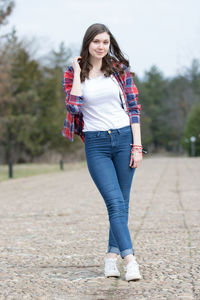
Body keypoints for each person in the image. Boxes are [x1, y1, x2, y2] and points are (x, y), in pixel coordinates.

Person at [62, 23, 143, 281]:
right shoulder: (72, 72)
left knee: (122, 202)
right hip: (95, 144)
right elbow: (74, 107)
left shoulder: (119, 70)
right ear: (87, 43)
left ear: (109, 44)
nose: (101, 46)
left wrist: (137, 146)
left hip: (123, 138)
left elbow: (133, 108)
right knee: (114, 202)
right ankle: (130, 261)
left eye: (105, 42)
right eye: (96, 41)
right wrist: (76, 71)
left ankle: (111, 257)